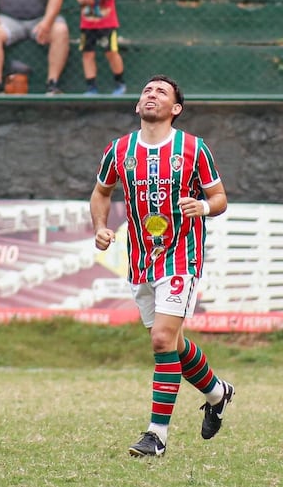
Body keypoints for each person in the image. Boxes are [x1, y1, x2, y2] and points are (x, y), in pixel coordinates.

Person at [89, 74, 234, 457]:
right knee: (174, 343)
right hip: (140, 258)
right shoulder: (119, 150)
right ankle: (218, 393)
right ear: (138, 106)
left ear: (176, 109)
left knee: (160, 341)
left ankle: (157, 435)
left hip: (182, 255)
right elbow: (102, 192)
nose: (151, 95)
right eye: (147, 91)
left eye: (161, 92)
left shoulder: (194, 148)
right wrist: (101, 227)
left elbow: (218, 197)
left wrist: (202, 206)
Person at [0, 0, 69, 95]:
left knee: (60, 30)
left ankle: (53, 84)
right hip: (9, 20)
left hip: (40, 20)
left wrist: (47, 22)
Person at [72, 0, 125, 95]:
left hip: (107, 23)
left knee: (111, 52)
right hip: (87, 23)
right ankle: (91, 87)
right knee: (87, 53)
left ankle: (119, 83)